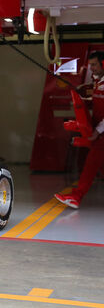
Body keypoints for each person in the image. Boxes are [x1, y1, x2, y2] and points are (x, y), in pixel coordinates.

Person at [54, 51, 104, 209]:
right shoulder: (98, 82)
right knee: (98, 165)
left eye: (95, 64)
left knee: (91, 164)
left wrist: (97, 131)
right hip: (99, 131)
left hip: (102, 133)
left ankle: (76, 196)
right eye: (91, 65)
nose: (92, 68)